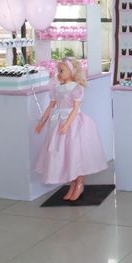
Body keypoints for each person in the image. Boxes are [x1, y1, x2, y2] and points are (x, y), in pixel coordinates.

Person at [34, 58, 107, 201]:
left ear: (71, 71)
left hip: (74, 125)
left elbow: (75, 109)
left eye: (62, 70)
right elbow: (51, 106)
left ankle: (79, 184)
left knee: (76, 154)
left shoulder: (76, 88)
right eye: (58, 70)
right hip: (59, 123)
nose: (59, 73)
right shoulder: (57, 88)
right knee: (65, 155)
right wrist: (42, 122)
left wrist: (67, 124)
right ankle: (73, 184)